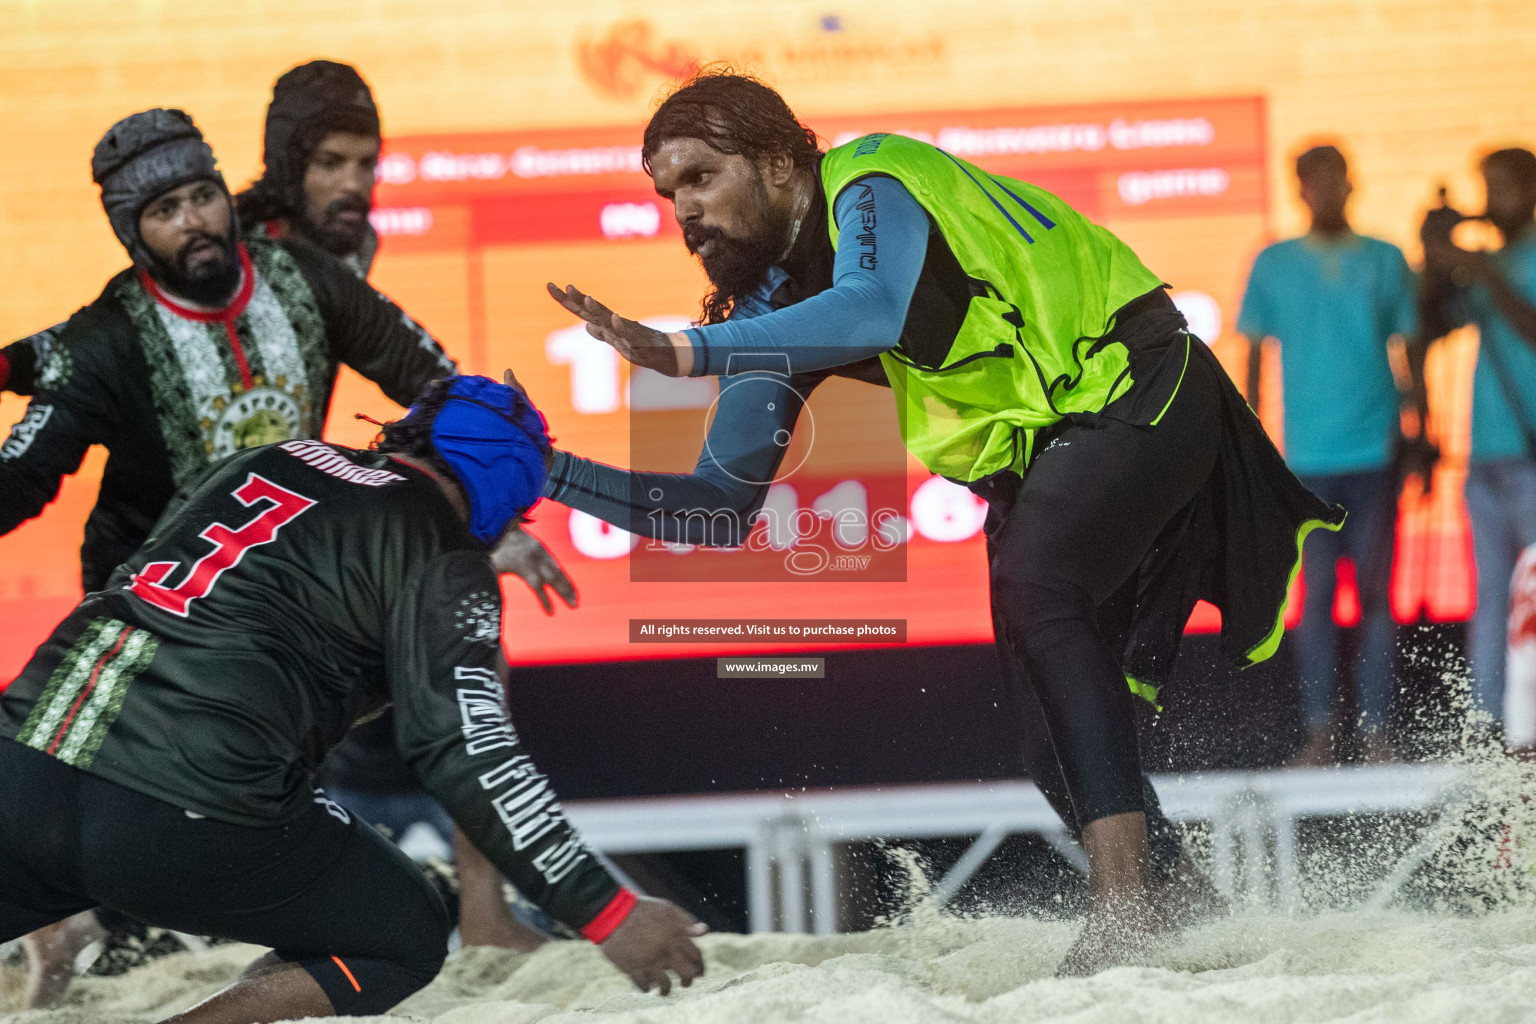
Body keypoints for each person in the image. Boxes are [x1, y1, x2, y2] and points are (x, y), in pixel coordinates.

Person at [540, 71, 1341, 973]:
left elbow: (875, 305)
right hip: (1048, 450)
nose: (682, 209)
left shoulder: (872, 178)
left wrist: (681, 351)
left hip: (1140, 383)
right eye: (666, 194)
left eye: (700, 178)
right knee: (1048, 746)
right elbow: (717, 509)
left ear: (775, 161)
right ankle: (1190, 912)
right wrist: (548, 470)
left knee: (1042, 592)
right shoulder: (769, 313)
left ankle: (1126, 916)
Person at [0, 374, 707, 1023]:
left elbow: (147, 579)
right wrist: (608, 912)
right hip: (188, 806)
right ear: (510, 487)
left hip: (25, 757)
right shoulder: (443, 557)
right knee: (403, 934)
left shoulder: (275, 458)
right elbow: (467, 749)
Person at [1237, 144, 1425, 765]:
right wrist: (1250, 449)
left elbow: (1411, 353)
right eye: (1314, 182)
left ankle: (1375, 736)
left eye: (1335, 180)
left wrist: (1420, 431)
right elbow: (1256, 360)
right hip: (1305, 465)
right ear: (1300, 190)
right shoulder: (1273, 264)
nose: (1326, 191)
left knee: (1374, 599)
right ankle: (1319, 734)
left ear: (1351, 183)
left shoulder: (1386, 257)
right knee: (1314, 599)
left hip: (1376, 455)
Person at [1419, 147, 1536, 737]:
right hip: (1485, 454)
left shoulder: (1519, 259)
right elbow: (1432, 326)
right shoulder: (1495, 261)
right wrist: (1434, 262)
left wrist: (1479, 264)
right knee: (1491, 596)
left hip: (1531, 455)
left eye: (1503, 188)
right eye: (1486, 188)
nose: (1492, 202)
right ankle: (1492, 725)